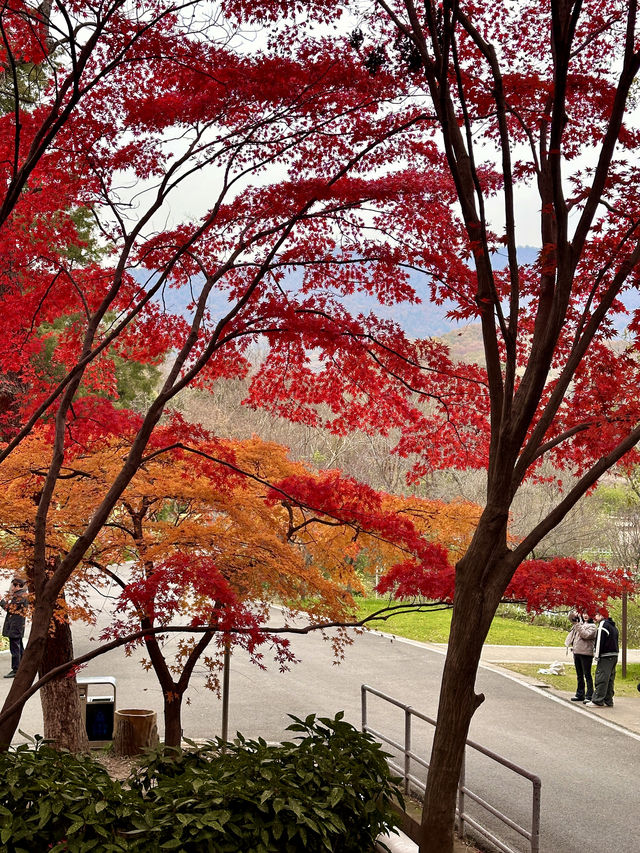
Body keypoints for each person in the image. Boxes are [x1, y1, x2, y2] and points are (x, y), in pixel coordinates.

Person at [585, 609, 619, 708]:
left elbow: (599, 641)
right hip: (614, 655)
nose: (595, 617)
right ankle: (608, 700)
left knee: (602, 677)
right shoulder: (613, 626)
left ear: (601, 615)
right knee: (610, 679)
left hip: (605, 655)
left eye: (596, 615)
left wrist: (596, 655)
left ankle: (597, 700)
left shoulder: (603, 625)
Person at [564, 610, 596, 703]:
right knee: (579, 675)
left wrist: (577, 625)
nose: (586, 616)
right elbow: (570, 617)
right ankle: (580, 693)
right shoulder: (579, 624)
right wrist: (576, 611)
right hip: (576, 652)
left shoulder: (593, 627)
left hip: (586, 653)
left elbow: (585, 635)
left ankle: (589, 695)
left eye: (588, 614)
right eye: (584, 614)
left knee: (587, 675)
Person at [1, 577, 28, 678]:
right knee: (19, 646)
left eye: (13, 585)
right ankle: (22, 667)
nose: (11, 588)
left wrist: (1, 601)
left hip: (15, 626)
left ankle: (16, 669)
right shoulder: (20, 596)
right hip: (17, 626)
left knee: (15, 648)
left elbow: (10, 609)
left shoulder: (20, 597)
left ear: (17, 586)